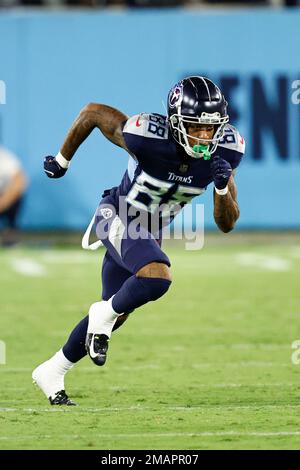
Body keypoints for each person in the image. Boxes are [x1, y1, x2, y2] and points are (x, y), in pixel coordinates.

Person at [32, 76, 245, 405]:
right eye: (195, 126)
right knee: (157, 277)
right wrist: (62, 161)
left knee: (117, 314)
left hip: (147, 230)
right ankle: (102, 315)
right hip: (115, 216)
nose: (204, 136)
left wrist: (221, 188)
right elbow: (92, 113)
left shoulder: (227, 151)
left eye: (211, 128)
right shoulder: (147, 137)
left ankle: (53, 370)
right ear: (174, 122)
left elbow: (227, 223)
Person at [0, 145, 27, 246]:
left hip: (4, 199)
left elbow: (20, 181)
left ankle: (10, 231)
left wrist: (3, 203)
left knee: (17, 196)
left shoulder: (4, 157)